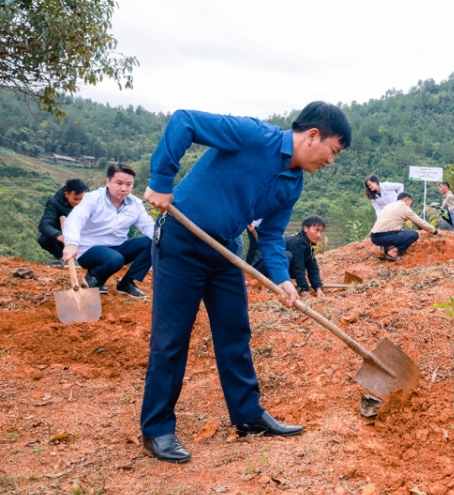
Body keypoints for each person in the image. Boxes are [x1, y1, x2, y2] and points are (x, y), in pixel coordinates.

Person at [140, 101, 351, 463]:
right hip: (183, 240)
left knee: (235, 332)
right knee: (171, 337)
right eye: (332, 151)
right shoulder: (255, 136)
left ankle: (248, 415)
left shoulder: (292, 182)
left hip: (226, 251)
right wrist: (161, 180)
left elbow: (270, 233)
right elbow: (184, 121)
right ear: (313, 136)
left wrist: (283, 279)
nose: (330, 161)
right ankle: (157, 429)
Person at [61, 164, 154, 297]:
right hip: (90, 249)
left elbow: (148, 225)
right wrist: (71, 243)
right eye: (119, 183)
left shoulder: (135, 204)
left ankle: (127, 283)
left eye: (129, 184)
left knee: (154, 241)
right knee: (115, 259)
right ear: (108, 181)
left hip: (117, 247)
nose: (124, 188)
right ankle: (93, 278)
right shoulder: (93, 199)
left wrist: (168, 241)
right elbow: (75, 219)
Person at [252, 215, 326, 299]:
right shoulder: (297, 243)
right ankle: (270, 285)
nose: (319, 235)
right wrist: (304, 290)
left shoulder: (309, 245)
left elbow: (313, 267)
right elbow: (299, 268)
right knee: (288, 256)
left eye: (321, 231)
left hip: (275, 266)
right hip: (263, 265)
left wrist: (318, 288)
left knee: (301, 264)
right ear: (305, 228)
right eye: (316, 230)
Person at [370, 192, 444, 261]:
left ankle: (382, 250)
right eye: (410, 204)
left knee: (391, 230)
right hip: (387, 237)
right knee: (414, 234)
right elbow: (420, 222)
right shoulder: (404, 208)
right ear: (406, 200)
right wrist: (435, 231)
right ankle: (394, 251)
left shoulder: (388, 206)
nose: (409, 206)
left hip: (374, 237)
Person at [37, 178, 89, 267]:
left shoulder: (90, 201)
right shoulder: (54, 203)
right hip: (63, 237)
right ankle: (60, 257)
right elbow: (44, 225)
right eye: (75, 199)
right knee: (44, 239)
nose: (78, 203)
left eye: (81, 199)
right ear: (66, 194)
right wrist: (59, 236)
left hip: (84, 236)